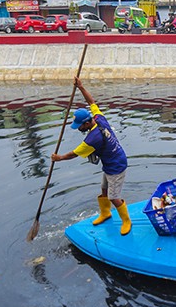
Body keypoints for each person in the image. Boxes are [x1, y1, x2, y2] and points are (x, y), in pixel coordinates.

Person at [52, 77, 131, 235]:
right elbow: (92, 102)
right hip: (110, 163)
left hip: (117, 166)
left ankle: (126, 221)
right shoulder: (99, 118)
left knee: (113, 197)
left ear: (87, 123)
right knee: (103, 189)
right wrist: (81, 87)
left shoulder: (91, 139)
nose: (78, 128)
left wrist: (59, 158)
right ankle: (105, 213)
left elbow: (73, 154)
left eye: (80, 126)